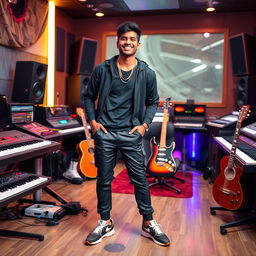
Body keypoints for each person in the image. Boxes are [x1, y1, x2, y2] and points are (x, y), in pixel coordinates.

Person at [83, 21, 170, 247]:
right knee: (104, 180)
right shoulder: (102, 69)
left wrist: (143, 125)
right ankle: (105, 222)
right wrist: (92, 122)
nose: (127, 42)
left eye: (132, 39)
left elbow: (152, 102)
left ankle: (148, 222)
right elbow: (87, 96)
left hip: (131, 134)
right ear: (117, 41)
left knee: (140, 179)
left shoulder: (147, 73)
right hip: (105, 133)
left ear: (138, 44)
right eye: (124, 38)